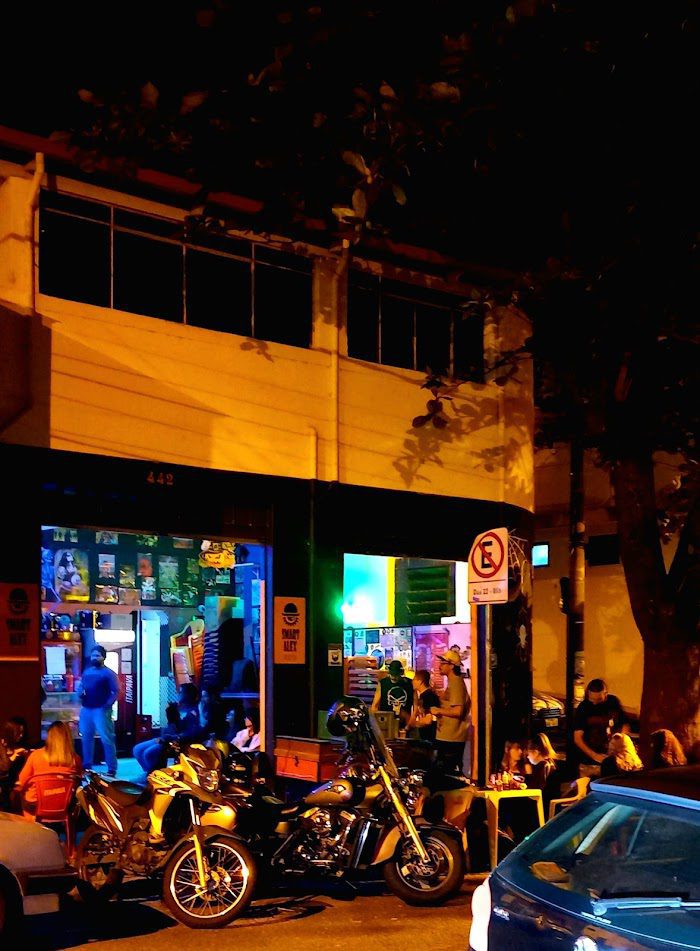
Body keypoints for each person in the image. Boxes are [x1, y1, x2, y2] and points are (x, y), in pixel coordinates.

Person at [15, 721, 82, 818]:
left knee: (18, 793)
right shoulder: (75, 759)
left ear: (49, 737)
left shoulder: (35, 755)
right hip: (64, 806)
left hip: (36, 807)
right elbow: (78, 782)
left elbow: (22, 781)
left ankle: (28, 824)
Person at [133, 683, 201, 775]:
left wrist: (170, 737)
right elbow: (171, 727)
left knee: (149, 753)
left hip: (177, 742)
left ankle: (153, 775)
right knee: (137, 749)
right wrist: (170, 718)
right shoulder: (177, 708)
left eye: (180, 692)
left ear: (188, 694)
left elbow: (189, 733)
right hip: (168, 737)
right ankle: (148, 773)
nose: (178, 694)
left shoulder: (193, 711)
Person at [573, 678, 629, 776]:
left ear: (605, 693)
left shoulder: (613, 702)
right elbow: (577, 738)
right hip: (590, 757)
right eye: (592, 700)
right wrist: (595, 756)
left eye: (598, 700)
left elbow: (624, 724)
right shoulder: (583, 708)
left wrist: (620, 739)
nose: (594, 703)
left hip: (613, 755)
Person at [79, 644, 119, 778]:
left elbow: (116, 691)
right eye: (93, 655)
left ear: (103, 657)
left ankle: (111, 768)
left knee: (107, 738)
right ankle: (87, 766)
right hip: (86, 709)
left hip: (100, 710)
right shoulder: (87, 672)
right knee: (86, 738)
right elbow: (82, 686)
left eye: (97, 655)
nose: (94, 658)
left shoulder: (109, 673)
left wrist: (107, 705)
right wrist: (79, 693)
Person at [431, 649, 471, 774]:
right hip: (447, 736)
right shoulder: (452, 682)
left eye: (443, 663)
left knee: (447, 772)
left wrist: (438, 710)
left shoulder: (456, 682)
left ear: (452, 666)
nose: (439, 666)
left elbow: (458, 711)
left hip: (451, 738)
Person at [524, 733, 560, 813]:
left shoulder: (543, 766)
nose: (527, 756)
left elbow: (536, 791)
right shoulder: (550, 764)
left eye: (528, 753)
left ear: (536, 752)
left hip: (542, 809)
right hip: (549, 806)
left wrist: (527, 776)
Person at [370, 660, 414, 725]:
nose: (394, 677)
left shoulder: (408, 684)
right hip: (386, 721)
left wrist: (409, 724)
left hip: (404, 722)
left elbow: (415, 705)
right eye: (392, 674)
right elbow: (375, 705)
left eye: (396, 675)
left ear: (400, 673)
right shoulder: (383, 683)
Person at [407, 669, 440, 742]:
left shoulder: (429, 697)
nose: (412, 682)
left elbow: (428, 720)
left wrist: (415, 724)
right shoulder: (422, 696)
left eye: (414, 679)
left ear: (420, 681)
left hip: (429, 738)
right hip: (425, 737)